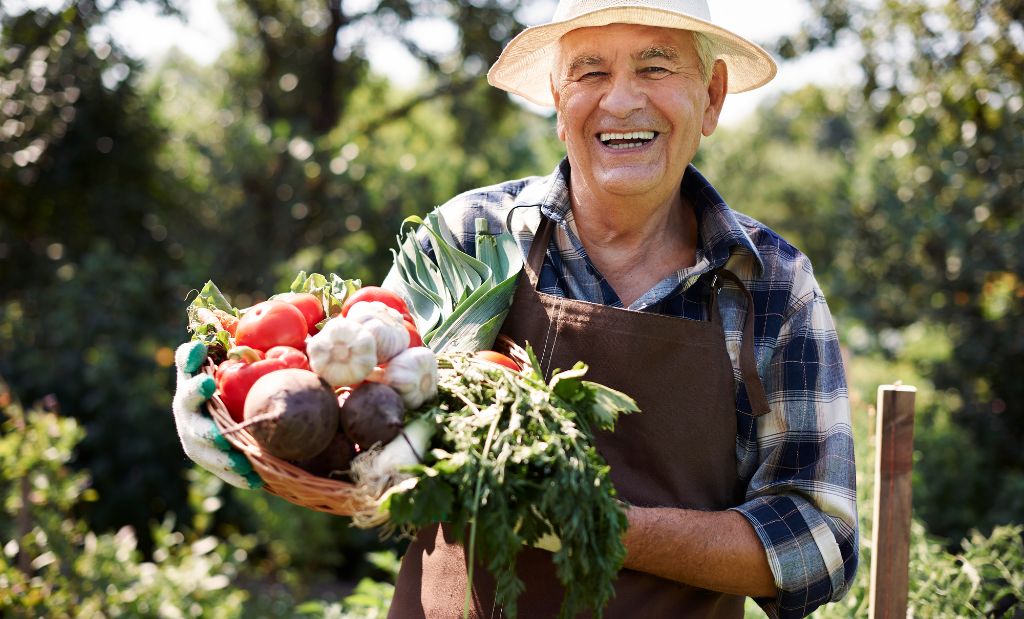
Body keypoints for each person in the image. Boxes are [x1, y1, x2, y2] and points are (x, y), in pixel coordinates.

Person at [173, 0, 858, 616]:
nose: (621, 101)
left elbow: (819, 541)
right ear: (558, 101)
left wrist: (590, 520)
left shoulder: (770, 285)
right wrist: (248, 411)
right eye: (589, 72)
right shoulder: (467, 238)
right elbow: (363, 434)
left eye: (655, 67)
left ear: (710, 97)